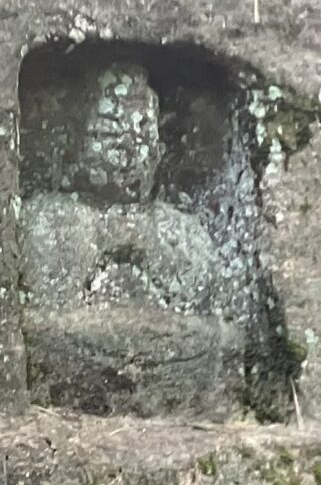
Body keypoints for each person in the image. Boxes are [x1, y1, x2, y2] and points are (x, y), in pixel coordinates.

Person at [20, 61, 242, 415]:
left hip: (173, 360)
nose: (126, 151)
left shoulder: (179, 227)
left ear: (159, 149)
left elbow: (199, 297)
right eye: (108, 135)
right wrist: (98, 248)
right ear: (73, 143)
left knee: (221, 342)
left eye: (142, 135)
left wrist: (150, 251)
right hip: (76, 357)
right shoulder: (48, 217)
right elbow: (46, 305)